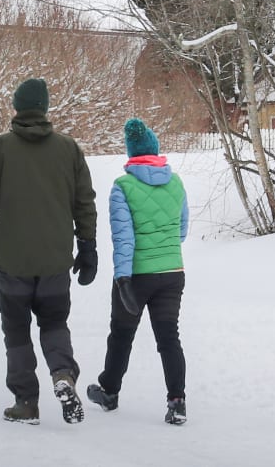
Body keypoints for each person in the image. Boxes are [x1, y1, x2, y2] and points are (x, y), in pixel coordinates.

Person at [0, 78, 99, 425]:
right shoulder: (69, 149)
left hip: (12, 263)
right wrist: (87, 247)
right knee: (55, 323)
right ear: (45, 108)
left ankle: (26, 402)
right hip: (55, 261)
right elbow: (84, 203)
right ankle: (63, 374)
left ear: (16, 107)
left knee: (17, 331)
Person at [86, 117, 191, 426]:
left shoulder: (123, 187)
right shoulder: (176, 183)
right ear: (155, 150)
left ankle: (109, 391)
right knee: (168, 337)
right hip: (173, 272)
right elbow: (182, 231)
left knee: (121, 334)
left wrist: (122, 278)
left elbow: (124, 238)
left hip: (137, 275)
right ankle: (177, 401)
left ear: (131, 154)